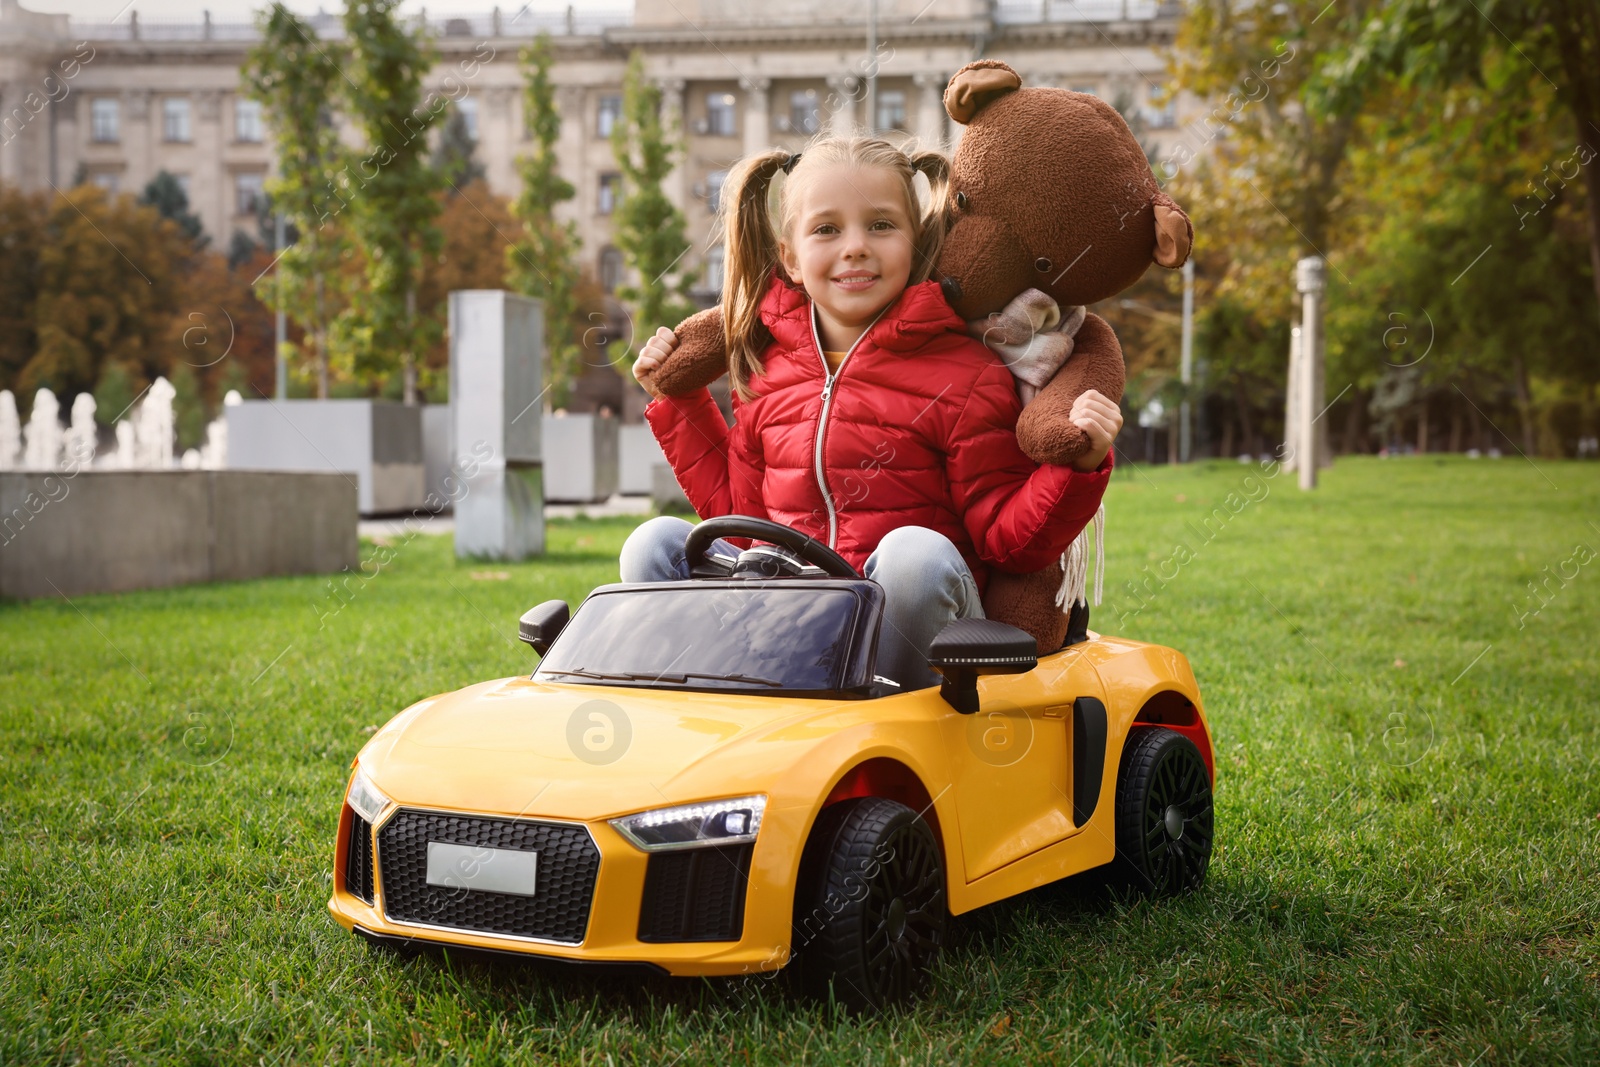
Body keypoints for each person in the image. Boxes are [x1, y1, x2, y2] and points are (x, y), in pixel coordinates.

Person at [624, 136, 1122, 692]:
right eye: (827, 229)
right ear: (789, 256)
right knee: (655, 543)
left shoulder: (965, 373)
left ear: (915, 244)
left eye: (881, 225)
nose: (856, 247)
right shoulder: (766, 371)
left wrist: (1076, 469)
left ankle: (889, 707)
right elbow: (742, 519)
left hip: (907, 623)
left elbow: (1007, 541)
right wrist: (680, 400)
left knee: (915, 555)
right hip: (790, 621)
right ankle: (692, 703)